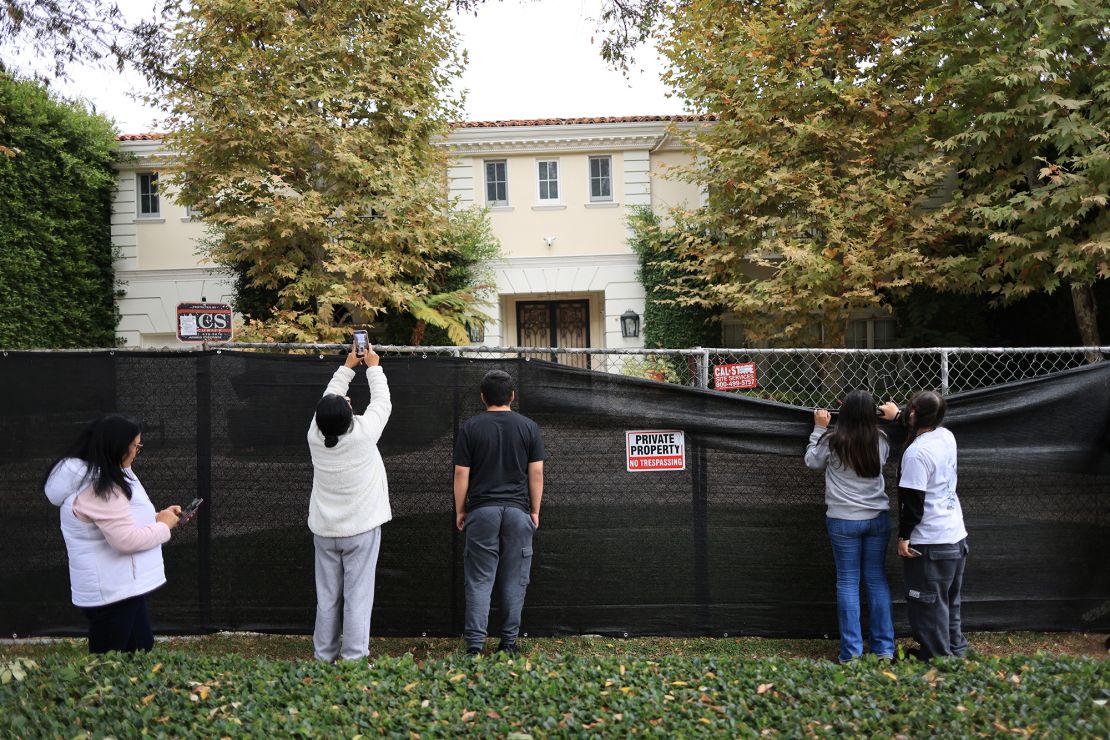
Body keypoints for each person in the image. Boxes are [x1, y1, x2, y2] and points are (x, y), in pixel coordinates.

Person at [43, 414, 182, 653]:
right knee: (111, 661)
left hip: (122, 588)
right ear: (118, 447)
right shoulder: (99, 487)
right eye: (136, 445)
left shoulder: (105, 474)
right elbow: (124, 540)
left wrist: (158, 517)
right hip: (112, 593)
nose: (138, 451)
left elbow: (121, 519)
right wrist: (164, 527)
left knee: (139, 648)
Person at [307, 340, 392, 662]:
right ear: (350, 415)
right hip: (360, 529)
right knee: (358, 596)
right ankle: (354, 660)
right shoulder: (363, 433)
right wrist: (372, 366)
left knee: (327, 598)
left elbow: (327, 400)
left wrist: (346, 368)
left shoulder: (314, 435)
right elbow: (382, 401)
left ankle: (323, 657)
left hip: (325, 531)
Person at [454, 369, 545, 655]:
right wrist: (535, 510)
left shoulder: (470, 428)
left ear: (482, 397)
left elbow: (460, 474)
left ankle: (475, 647)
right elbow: (537, 473)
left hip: (481, 512)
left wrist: (460, 510)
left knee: (480, 579)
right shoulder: (529, 427)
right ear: (512, 396)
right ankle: (508, 643)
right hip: (519, 512)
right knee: (514, 578)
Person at [805, 390, 897, 663]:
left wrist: (817, 429)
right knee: (876, 579)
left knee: (847, 581)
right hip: (877, 518)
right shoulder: (881, 439)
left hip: (843, 520)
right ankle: (883, 650)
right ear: (873, 414)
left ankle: (851, 654)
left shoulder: (832, 440)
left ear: (841, 414)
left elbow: (812, 462)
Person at [882, 390, 969, 660]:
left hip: (930, 542)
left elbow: (914, 504)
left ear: (915, 415)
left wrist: (903, 537)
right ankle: (956, 651)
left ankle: (938, 660)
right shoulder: (946, 436)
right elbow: (922, 426)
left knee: (927, 603)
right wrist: (898, 416)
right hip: (955, 535)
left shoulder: (916, 454)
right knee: (948, 601)